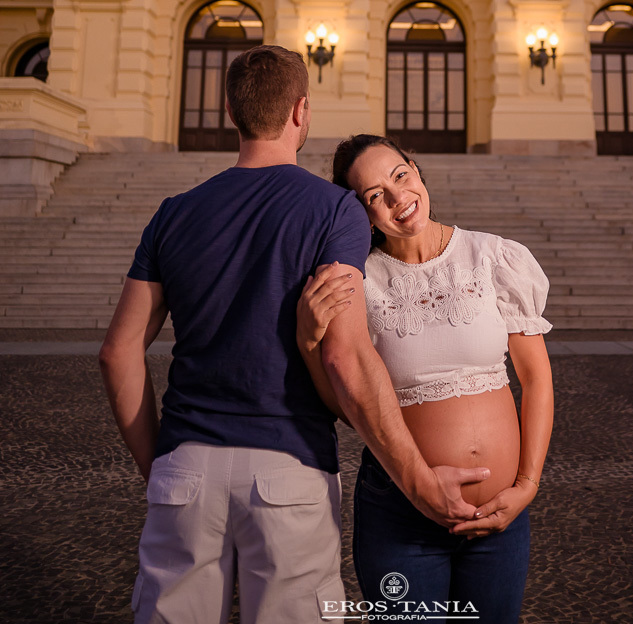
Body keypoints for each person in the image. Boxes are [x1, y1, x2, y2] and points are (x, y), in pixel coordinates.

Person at [99, 47, 489, 624]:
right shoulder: (334, 210)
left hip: (186, 463)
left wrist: (156, 466)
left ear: (230, 111)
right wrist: (418, 481)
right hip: (289, 471)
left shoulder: (173, 213)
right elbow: (348, 355)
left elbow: (118, 351)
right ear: (301, 112)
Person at [298, 134, 555, 624]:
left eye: (400, 175)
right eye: (375, 195)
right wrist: (310, 341)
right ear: (362, 211)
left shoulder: (493, 257)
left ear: (415, 169)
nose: (398, 198)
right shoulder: (359, 280)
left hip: (501, 519)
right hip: (400, 514)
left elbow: (536, 378)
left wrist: (527, 485)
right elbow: (348, 406)